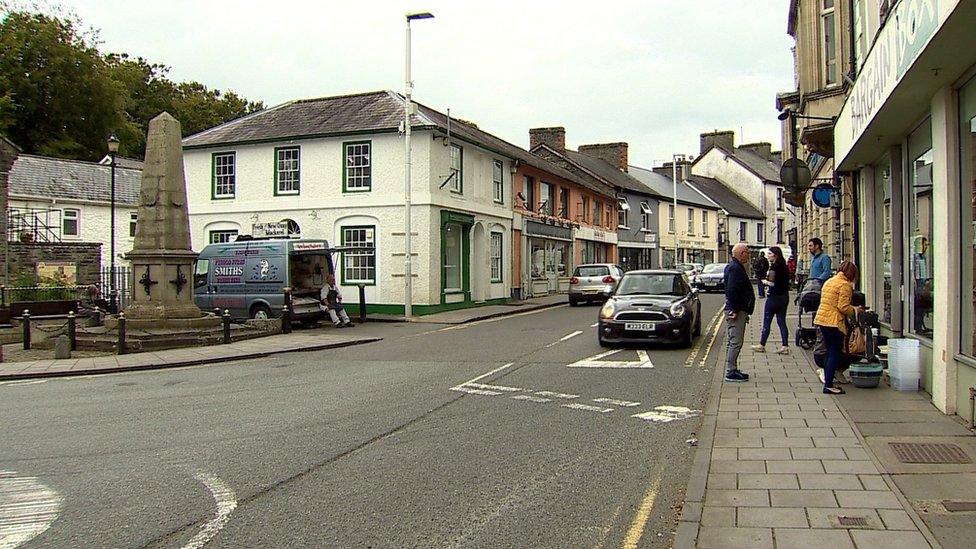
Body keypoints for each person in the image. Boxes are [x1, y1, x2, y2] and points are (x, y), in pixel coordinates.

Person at [814, 261, 865, 395]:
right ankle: (829, 384)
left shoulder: (830, 281)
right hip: (833, 322)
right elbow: (843, 307)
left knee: (829, 351)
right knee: (834, 352)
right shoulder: (845, 285)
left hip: (822, 319)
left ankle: (827, 376)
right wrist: (855, 310)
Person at [723, 243, 755, 383]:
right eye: (747, 252)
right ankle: (731, 372)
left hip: (738, 309)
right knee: (735, 342)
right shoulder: (735, 269)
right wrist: (735, 310)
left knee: (734, 341)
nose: (748, 255)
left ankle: (733, 368)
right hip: (736, 310)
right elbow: (732, 290)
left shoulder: (734, 267)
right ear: (741, 253)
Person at [752, 246, 791, 355]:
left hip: (774, 298)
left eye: (770, 254)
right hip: (784, 297)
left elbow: (772, 283)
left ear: (775, 255)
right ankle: (785, 346)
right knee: (782, 322)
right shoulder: (784, 266)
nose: (768, 255)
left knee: (767, 321)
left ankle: (761, 345)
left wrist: (764, 281)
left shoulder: (774, 267)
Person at [912, 236, 931, 333]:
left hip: (922, 285)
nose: (926, 247)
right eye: (925, 244)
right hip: (918, 287)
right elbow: (914, 274)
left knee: (921, 309)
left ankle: (920, 326)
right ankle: (917, 327)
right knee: (918, 308)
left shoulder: (923, 257)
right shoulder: (915, 258)